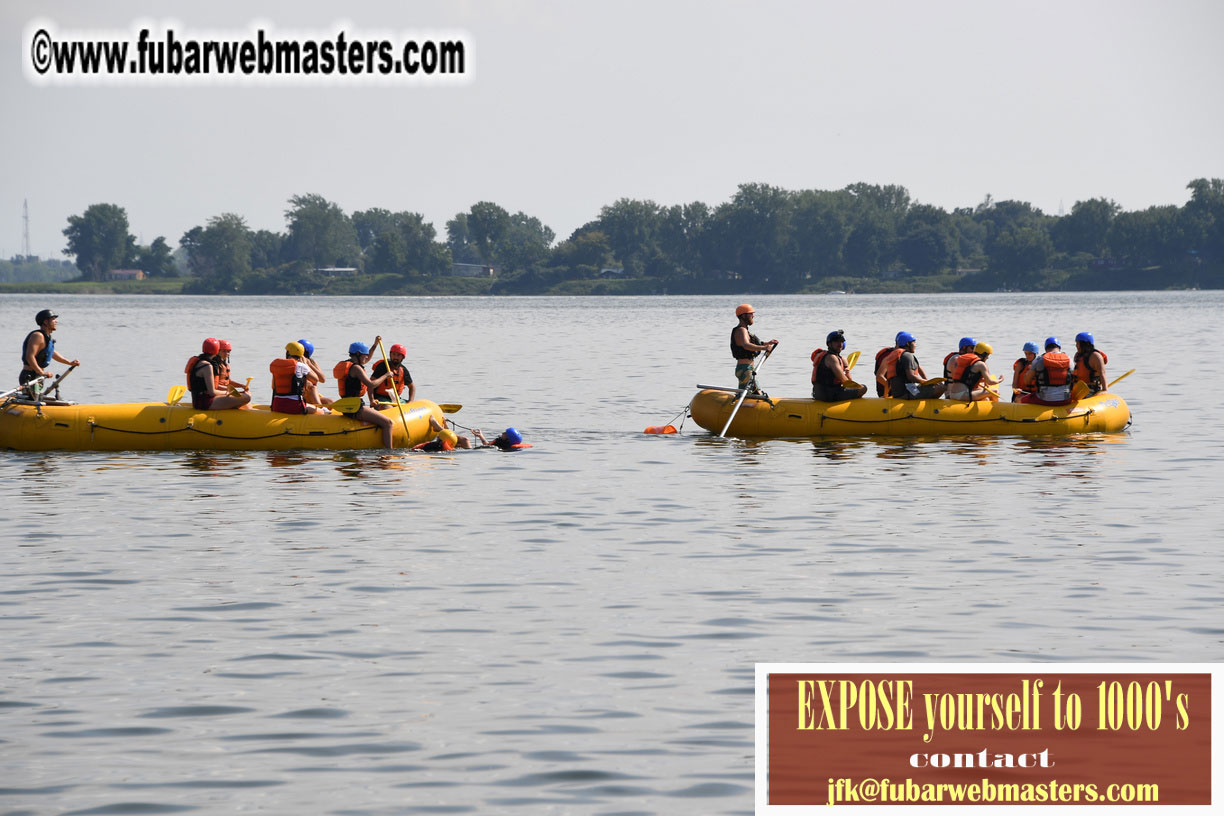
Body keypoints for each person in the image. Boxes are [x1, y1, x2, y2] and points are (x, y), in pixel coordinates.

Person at [333, 338, 395, 449]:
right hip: (355, 408)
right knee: (388, 423)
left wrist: (375, 345)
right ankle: (389, 452)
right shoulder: (356, 368)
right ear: (358, 354)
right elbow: (371, 384)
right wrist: (386, 375)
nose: (367, 358)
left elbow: (368, 357)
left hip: (348, 405)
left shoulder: (351, 364)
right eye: (365, 355)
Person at [20, 309, 79, 395]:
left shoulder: (47, 337)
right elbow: (29, 356)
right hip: (30, 376)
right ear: (45, 322)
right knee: (32, 402)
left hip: (38, 376)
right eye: (53, 319)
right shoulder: (37, 336)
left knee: (37, 399)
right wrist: (42, 372)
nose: (56, 321)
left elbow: (52, 353)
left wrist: (69, 363)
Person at [187, 337, 251, 410]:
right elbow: (212, 392)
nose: (226, 353)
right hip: (205, 403)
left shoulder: (199, 362)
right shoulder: (207, 366)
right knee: (247, 397)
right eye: (223, 351)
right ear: (217, 350)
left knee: (243, 396)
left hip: (199, 401)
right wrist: (228, 393)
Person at [878, 332, 945, 399]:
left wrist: (885, 395)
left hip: (897, 393)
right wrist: (926, 382)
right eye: (914, 343)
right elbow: (911, 376)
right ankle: (928, 405)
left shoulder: (895, 356)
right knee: (941, 387)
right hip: (907, 392)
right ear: (908, 343)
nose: (915, 345)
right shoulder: (907, 356)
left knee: (930, 387)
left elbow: (889, 381)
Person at [731, 304, 778, 395]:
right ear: (743, 316)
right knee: (758, 393)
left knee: (746, 395)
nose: (753, 316)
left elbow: (752, 344)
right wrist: (764, 348)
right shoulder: (741, 330)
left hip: (745, 369)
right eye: (750, 314)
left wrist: (767, 343)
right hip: (745, 369)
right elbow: (746, 345)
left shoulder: (744, 330)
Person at [810, 329, 867, 402]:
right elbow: (845, 381)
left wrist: (847, 370)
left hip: (818, 394)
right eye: (836, 341)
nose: (840, 344)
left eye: (841, 342)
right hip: (830, 395)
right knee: (864, 388)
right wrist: (858, 387)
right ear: (829, 344)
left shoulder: (833, 357)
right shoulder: (832, 358)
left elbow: (847, 382)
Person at [269, 342, 324, 414]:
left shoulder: (277, 365)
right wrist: (306, 364)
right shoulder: (301, 366)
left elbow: (273, 386)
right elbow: (315, 379)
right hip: (295, 406)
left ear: (288, 353)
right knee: (320, 412)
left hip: (277, 405)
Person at [1020, 337, 1072, 405]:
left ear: (1046, 348)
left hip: (1044, 400)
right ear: (1059, 347)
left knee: (1022, 399)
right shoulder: (1069, 360)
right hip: (1065, 400)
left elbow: (1027, 381)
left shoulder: (1039, 360)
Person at [296, 339, 333, 407]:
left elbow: (322, 379)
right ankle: (320, 408)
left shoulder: (312, 362)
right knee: (311, 385)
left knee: (330, 401)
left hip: (311, 396)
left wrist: (309, 364)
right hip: (302, 394)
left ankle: (321, 409)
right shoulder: (295, 362)